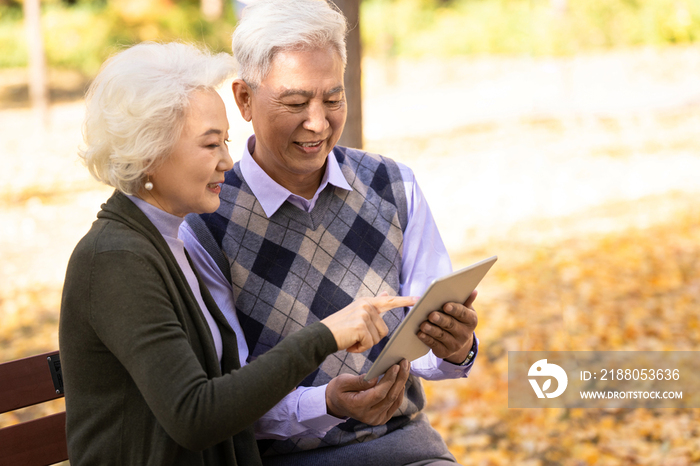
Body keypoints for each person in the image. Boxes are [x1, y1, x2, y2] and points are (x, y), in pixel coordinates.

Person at [58, 41, 417, 466]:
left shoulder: (168, 242)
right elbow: (195, 415)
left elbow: (225, 392)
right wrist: (325, 336)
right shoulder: (116, 259)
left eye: (225, 142)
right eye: (210, 145)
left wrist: (328, 400)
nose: (228, 160)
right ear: (148, 154)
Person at [182, 1, 481, 465]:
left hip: (409, 449)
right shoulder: (206, 222)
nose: (318, 123)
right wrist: (326, 404)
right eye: (296, 102)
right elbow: (225, 400)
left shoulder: (392, 185)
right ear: (243, 99)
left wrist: (454, 348)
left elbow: (424, 351)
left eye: (333, 98)